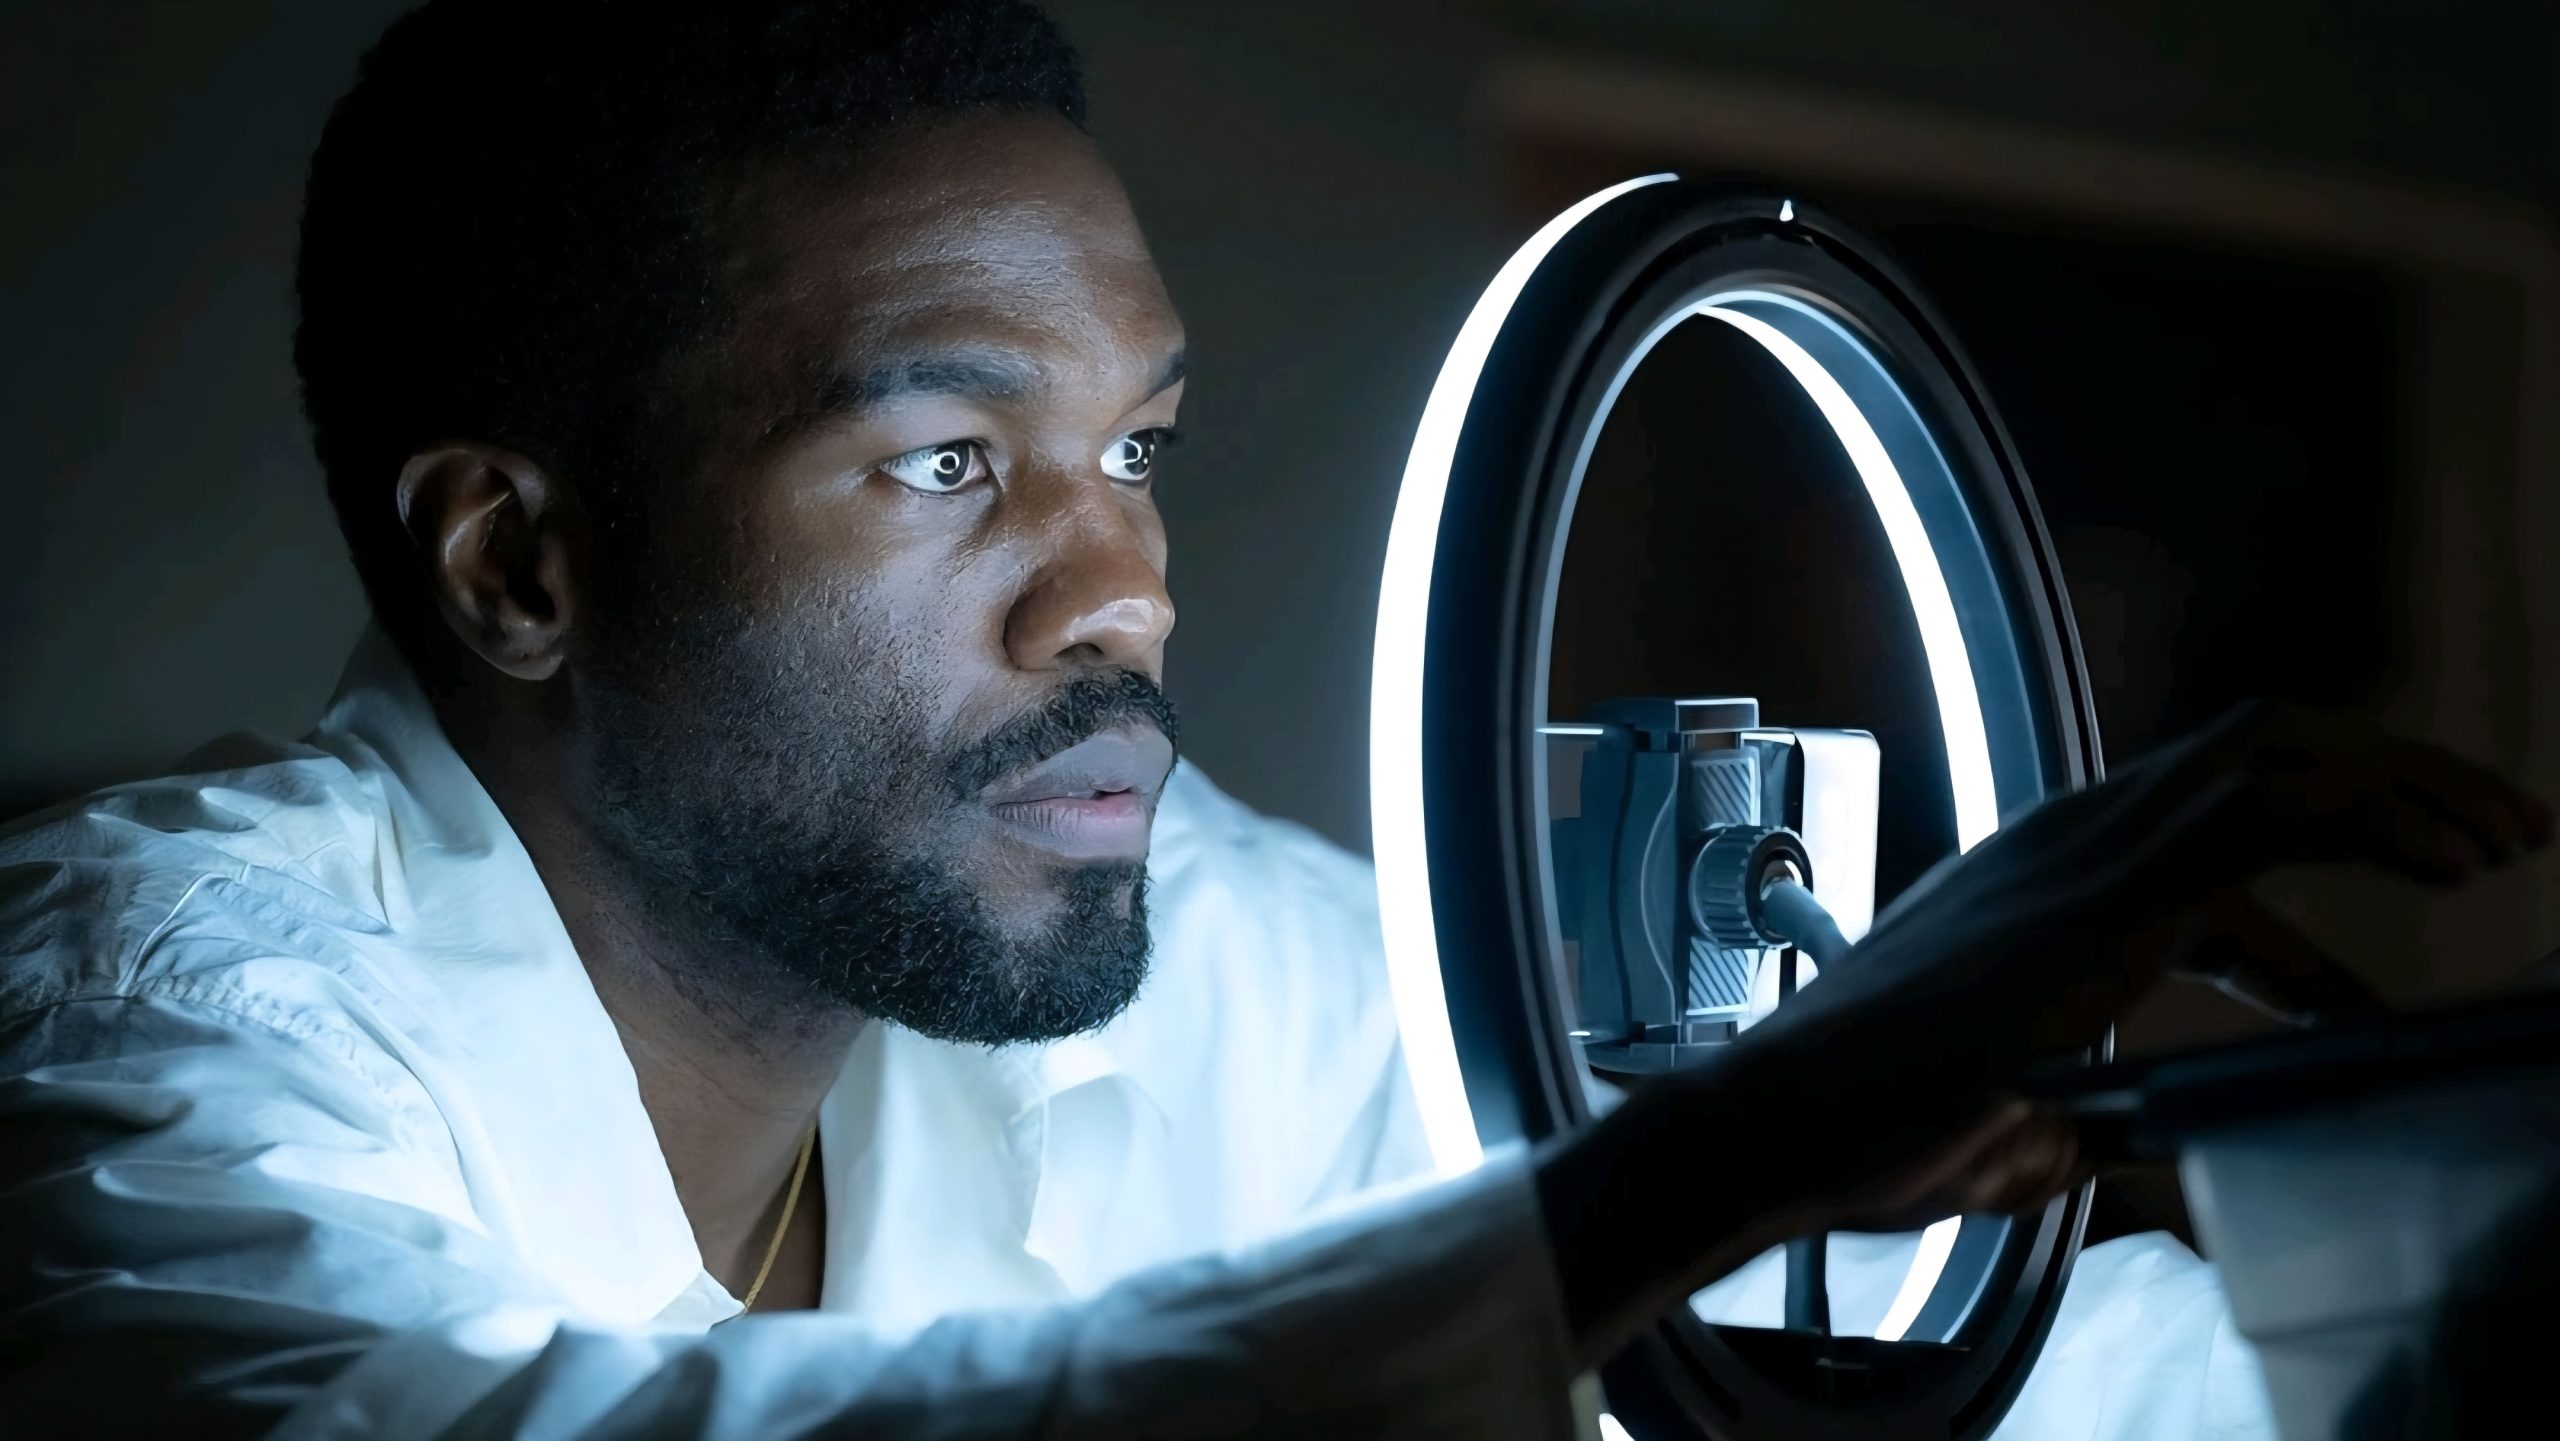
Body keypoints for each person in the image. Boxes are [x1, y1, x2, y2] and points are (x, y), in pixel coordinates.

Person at [0, 3, 2545, 1438]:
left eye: (1138, 447)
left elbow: (1963, 1379)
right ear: (521, 565)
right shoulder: (137, 1026)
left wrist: (2436, 1246)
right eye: (945, 459)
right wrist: (1730, 1147)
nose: (1120, 584)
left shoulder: (1192, 942)